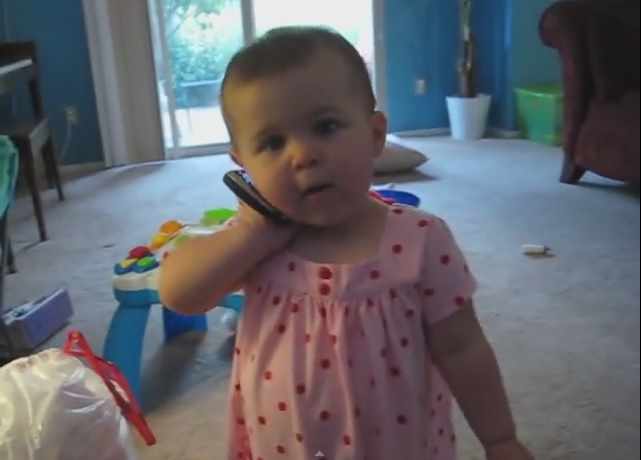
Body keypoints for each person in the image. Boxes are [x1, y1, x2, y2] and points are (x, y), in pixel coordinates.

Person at [158, 26, 535, 460]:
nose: (303, 155)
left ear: (375, 136)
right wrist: (251, 233)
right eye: (273, 142)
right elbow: (178, 294)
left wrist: (499, 439)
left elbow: (463, 348)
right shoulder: (256, 241)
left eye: (326, 126)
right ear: (245, 167)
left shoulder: (420, 240)